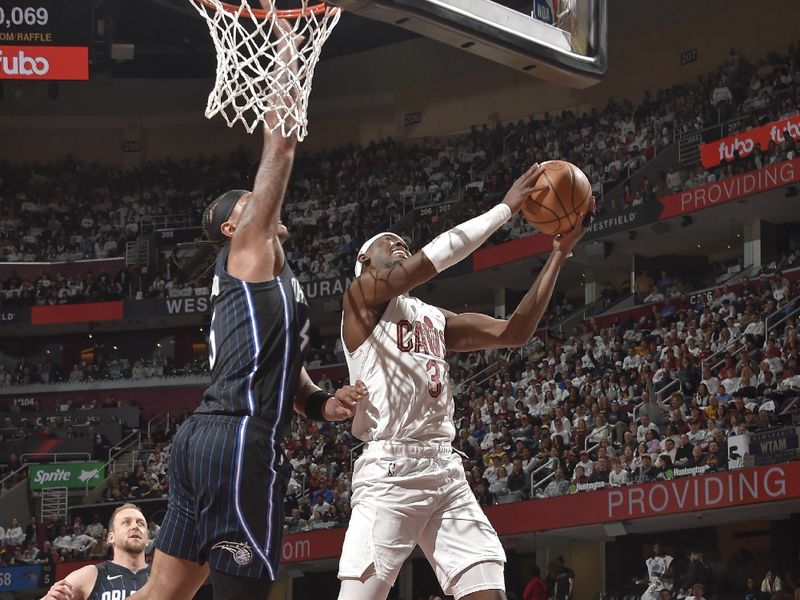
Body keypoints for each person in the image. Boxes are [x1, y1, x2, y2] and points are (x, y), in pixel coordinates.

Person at [135, 25, 368, 600]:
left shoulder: (269, 277)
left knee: (162, 594)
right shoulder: (245, 252)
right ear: (233, 227)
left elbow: (280, 369)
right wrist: (288, 47)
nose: (260, 200)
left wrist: (319, 402)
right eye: (249, 201)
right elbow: (281, 146)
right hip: (238, 438)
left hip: (205, 439)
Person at [336, 162, 591, 600]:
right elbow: (432, 260)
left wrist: (558, 255)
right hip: (389, 471)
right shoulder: (360, 299)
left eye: (403, 242)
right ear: (364, 261)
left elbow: (514, 332)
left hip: (444, 469)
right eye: (388, 243)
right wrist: (504, 210)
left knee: (488, 592)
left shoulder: (434, 318)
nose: (400, 245)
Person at [40, 504, 150, 600]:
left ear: (147, 540)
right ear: (111, 537)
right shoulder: (91, 575)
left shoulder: (162, 578)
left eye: (140, 523)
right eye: (126, 522)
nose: (135, 526)